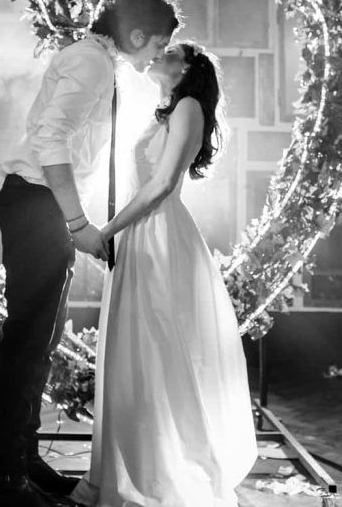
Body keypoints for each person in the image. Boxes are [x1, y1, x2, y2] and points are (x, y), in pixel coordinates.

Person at [0, 0, 179, 507]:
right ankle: (6, 482)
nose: (157, 55)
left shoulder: (97, 62)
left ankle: (24, 462)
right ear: (137, 35)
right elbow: (51, 140)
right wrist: (77, 224)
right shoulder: (91, 62)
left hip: (44, 206)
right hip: (37, 205)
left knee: (43, 341)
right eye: (157, 44)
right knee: (27, 342)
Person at [70, 42, 257, 507]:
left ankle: (169, 474)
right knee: (138, 349)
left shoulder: (189, 106)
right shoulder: (167, 110)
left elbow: (162, 184)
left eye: (169, 51)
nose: (157, 54)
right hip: (141, 234)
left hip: (159, 237)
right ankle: (135, 468)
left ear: (187, 67)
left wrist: (106, 231)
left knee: (157, 346)